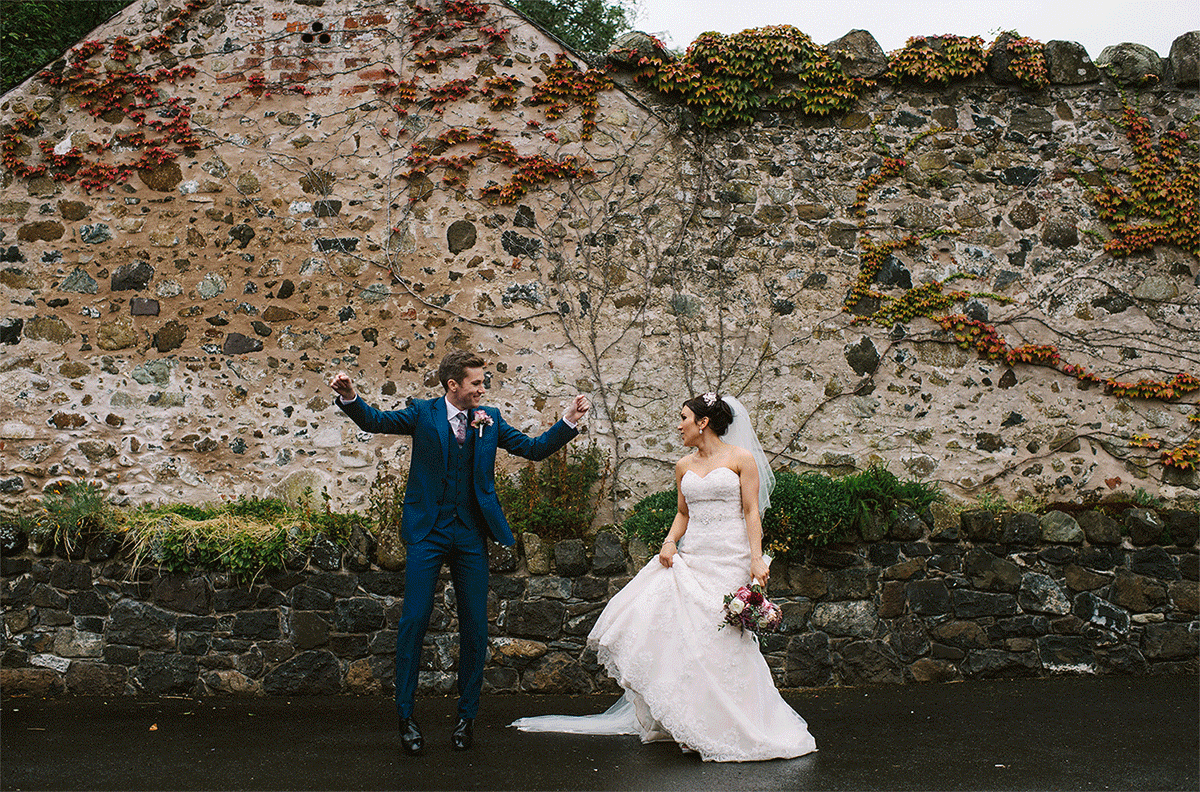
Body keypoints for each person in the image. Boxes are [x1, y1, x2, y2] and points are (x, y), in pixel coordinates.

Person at [512, 393, 816, 762]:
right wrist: (670, 542)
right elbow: (682, 513)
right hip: (694, 557)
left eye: (684, 417)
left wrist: (756, 559)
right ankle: (690, 723)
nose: (679, 425)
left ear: (702, 422)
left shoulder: (741, 459)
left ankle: (735, 724)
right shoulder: (682, 465)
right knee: (689, 640)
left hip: (730, 557)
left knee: (724, 643)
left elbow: (751, 511)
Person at [330, 350, 590, 756]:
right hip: (427, 533)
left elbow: (535, 449)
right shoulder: (422, 413)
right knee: (414, 621)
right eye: (476, 383)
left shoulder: (491, 420)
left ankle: (467, 718)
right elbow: (374, 420)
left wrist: (569, 420)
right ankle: (406, 717)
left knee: (475, 627)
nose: (483, 389)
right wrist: (350, 397)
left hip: (471, 536)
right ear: (453, 386)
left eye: (483, 383)